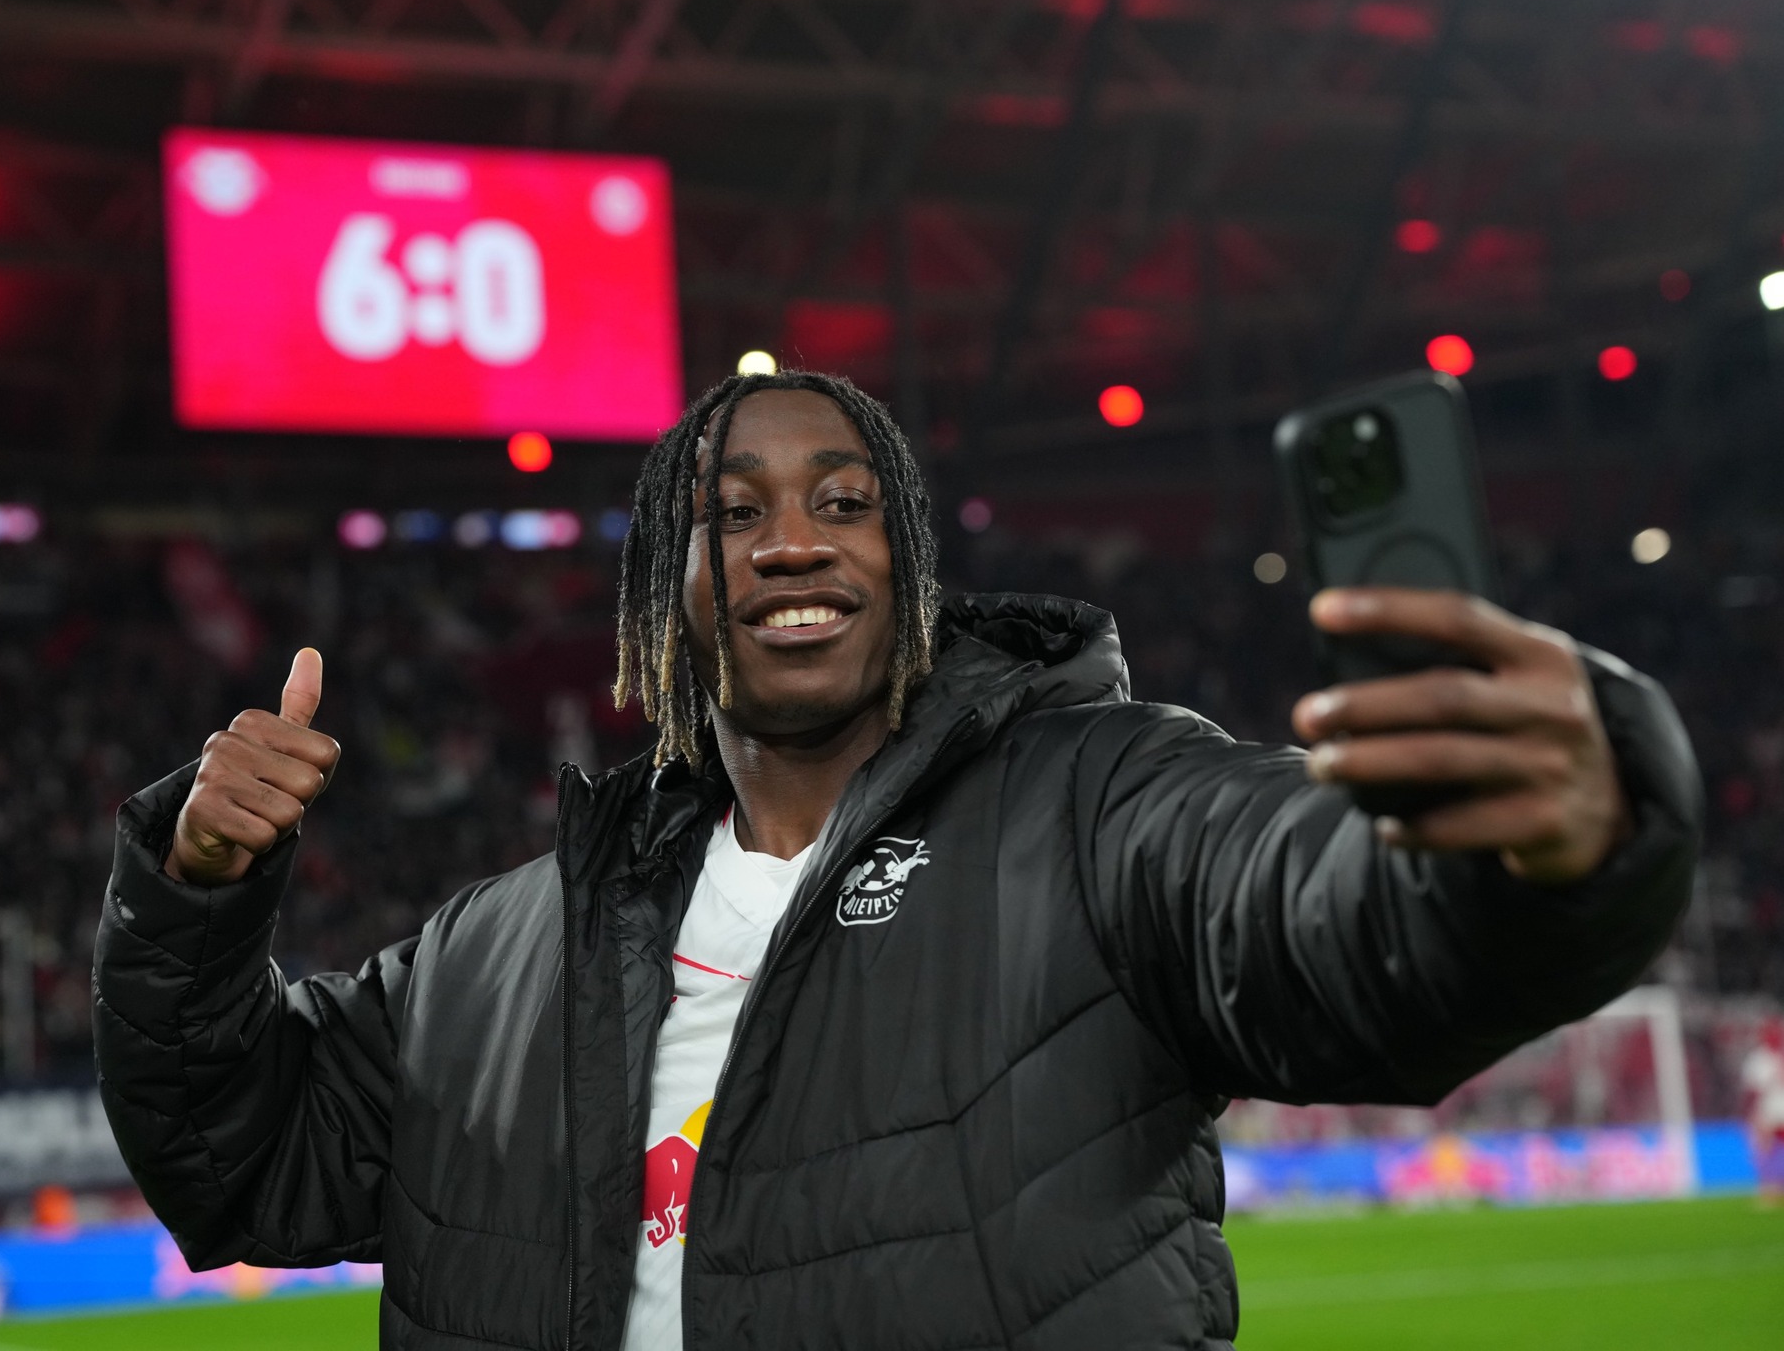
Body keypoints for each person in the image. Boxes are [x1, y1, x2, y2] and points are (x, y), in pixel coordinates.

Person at [94, 370, 1701, 1349]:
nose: (791, 539)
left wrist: (1533, 846)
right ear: (665, 595)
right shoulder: (496, 950)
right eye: (730, 514)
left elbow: (1330, 924)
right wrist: (197, 890)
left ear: (909, 567)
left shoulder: (1100, 804)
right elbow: (237, 1157)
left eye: (844, 501)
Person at [1744, 1020, 1784, 1206]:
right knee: (1765, 1150)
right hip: (1768, 1110)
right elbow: (1753, 1090)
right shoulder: (1758, 1059)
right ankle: (1768, 1188)